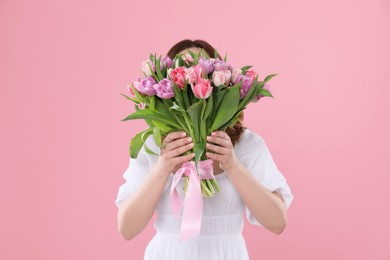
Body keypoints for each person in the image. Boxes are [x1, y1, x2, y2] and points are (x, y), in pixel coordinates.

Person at [115, 39, 294, 260]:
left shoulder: (245, 143)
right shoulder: (155, 145)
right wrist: (163, 167)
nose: (192, 75)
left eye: (201, 67)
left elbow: (277, 222)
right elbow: (127, 228)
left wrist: (232, 164)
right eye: (183, 68)